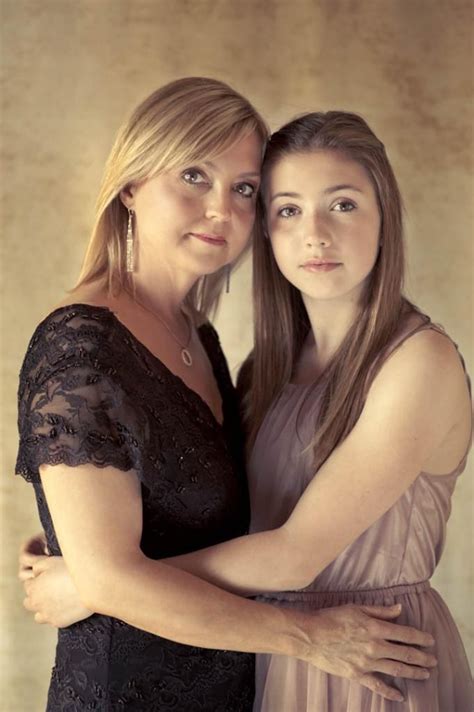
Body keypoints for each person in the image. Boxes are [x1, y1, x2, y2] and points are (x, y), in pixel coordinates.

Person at [17, 82, 440, 712]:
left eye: (244, 189)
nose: (221, 209)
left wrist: (89, 581)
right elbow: (111, 565)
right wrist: (306, 638)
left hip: (237, 685)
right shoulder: (79, 344)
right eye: (194, 175)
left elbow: (161, 544)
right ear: (130, 185)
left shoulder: (201, 338)